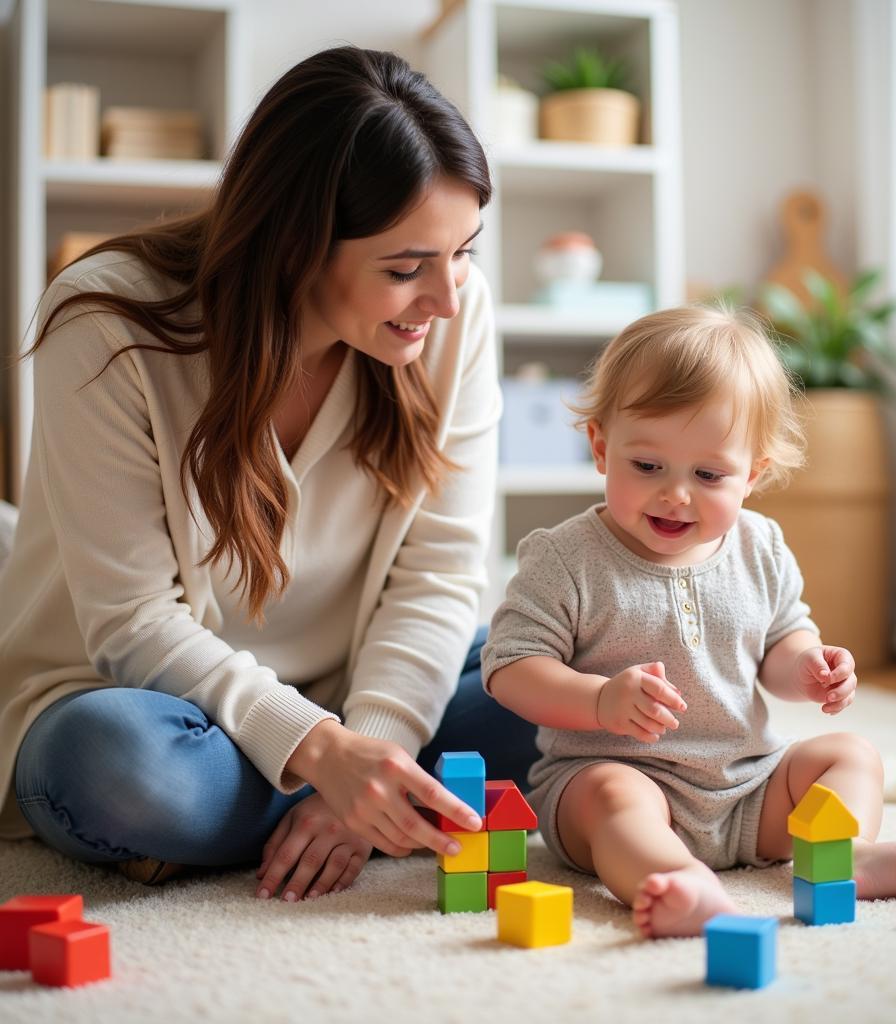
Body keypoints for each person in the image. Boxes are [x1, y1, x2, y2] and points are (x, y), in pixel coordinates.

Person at [0, 46, 538, 900]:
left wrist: (371, 745)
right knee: (117, 768)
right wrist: (323, 758)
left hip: (353, 691)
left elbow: (437, 575)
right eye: (405, 268)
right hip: (148, 708)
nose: (447, 296)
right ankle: (375, 807)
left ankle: (319, 813)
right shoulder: (105, 324)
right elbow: (134, 623)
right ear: (295, 246)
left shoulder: (452, 315)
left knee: (558, 686)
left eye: (463, 251)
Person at [482, 305, 896, 938]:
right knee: (612, 798)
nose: (675, 494)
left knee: (850, 753)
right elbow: (510, 668)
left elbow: (783, 643)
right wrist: (599, 700)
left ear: (752, 475)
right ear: (600, 447)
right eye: (647, 467)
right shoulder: (566, 557)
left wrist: (809, 667)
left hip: (748, 789)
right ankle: (680, 880)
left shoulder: (760, 546)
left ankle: (842, 857)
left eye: (708, 475)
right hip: (617, 779)